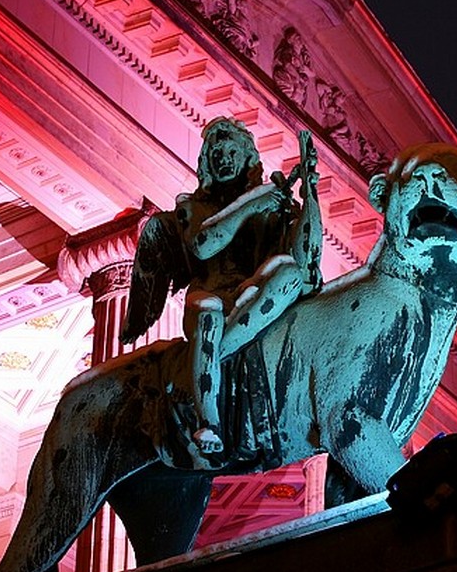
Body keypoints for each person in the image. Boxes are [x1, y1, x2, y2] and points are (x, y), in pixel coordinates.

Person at [121, 117, 322, 454]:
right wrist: (254, 203)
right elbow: (204, 243)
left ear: (248, 159)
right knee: (209, 311)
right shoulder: (192, 207)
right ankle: (207, 420)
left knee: (288, 273)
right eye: (216, 154)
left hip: (250, 300)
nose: (224, 159)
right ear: (207, 163)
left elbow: (307, 260)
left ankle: (210, 362)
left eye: (232, 151)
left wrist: (310, 194)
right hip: (209, 298)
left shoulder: (272, 205)